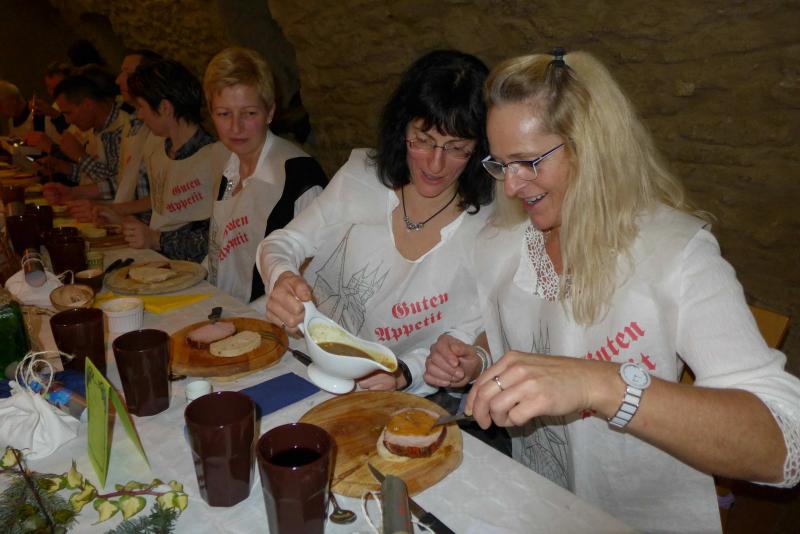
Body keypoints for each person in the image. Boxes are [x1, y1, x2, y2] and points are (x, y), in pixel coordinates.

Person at [425, 49, 800, 532]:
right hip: (538, 505)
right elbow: (529, 334)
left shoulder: (674, 254)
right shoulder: (502, 242)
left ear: (591, 147)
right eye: (500, 164)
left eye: (528, 162)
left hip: (636, 518)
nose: (512, 186)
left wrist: (601, 384)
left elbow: (782, 442)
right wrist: (478, 357)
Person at [259, 50, 494, 394]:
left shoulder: (488, 227)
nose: (435, 164)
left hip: (390, 393)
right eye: (423, 141)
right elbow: (281, 244)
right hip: (302, 360)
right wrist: (281, 277)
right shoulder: (362, 179)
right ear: (402, 129)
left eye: (457, 148)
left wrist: (404, 372)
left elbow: (465, 333)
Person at [203, 47, 327, 304]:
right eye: (224, 114)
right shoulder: (229, 167)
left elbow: (318, 270)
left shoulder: (300, 176)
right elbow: (222, 251)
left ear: (270, 112)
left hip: (275, 316)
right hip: (227, 307)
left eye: (249, 113)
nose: (235, 127)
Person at [97, 59, 227, 262]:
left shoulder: (217, 157)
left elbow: (219, 239)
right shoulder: (158, 149)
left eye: (141, 107)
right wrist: (123, 221)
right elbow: (163, 215)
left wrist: (157, 240)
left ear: (165, 108)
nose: (139, 115)